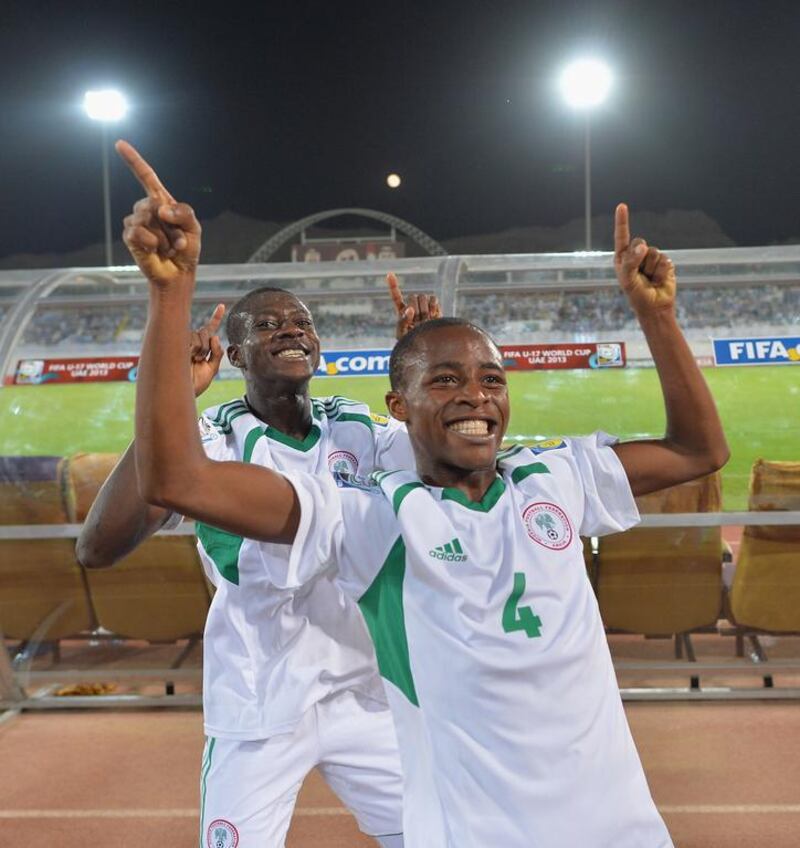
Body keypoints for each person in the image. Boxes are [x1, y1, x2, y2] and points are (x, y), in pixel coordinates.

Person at [124, 142, 729, 847]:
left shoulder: (556, 477)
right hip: (321, 735)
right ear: (397, 408)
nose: (475, 393)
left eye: (491, 379)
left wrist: (657, 317)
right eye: (444, 381)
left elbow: (698, 451)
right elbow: (176, 479)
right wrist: (171, 297)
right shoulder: (373, 519)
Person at [77, 143, 442, 848]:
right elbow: (98, 544)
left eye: (302, 323)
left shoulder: (360, 426)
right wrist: (177, 396)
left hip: (364, 691)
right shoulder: (206, 439)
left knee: (441, 833)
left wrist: (422, 355)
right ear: (234, 356)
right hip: (259, 700)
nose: (290, 329)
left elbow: (440, 476)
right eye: (267, 325)